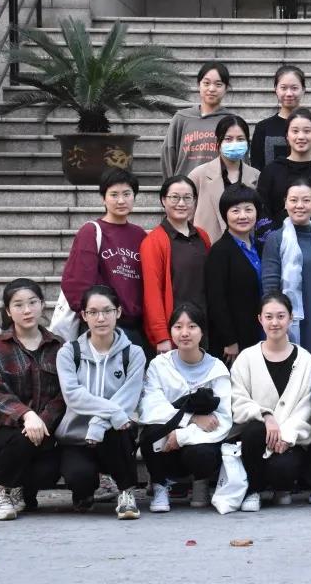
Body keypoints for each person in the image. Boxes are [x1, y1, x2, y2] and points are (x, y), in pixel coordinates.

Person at [0, 279, 64, 521]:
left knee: (51, 466)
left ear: (42, 305)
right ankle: (0, 491)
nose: (27, 310)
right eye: (19, 305)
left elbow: (64, 395)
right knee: (23, 436)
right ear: (8, 311)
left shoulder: (58, 347)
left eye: (33, 302)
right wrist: (27, 415)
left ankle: (20, 489)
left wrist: (42, 420)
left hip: (41, 433)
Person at [56, 285, 146, 519]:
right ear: (84, 316)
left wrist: (98, 424)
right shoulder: (69, 352)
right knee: (79, 476)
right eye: (93, 312)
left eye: (107, 311)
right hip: (77, 435)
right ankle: (84, 492)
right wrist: (110, 413)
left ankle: (126, 492)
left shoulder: (133, 353)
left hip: (115, 433)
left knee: (120, 427)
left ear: (118, 312)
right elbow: (73, 395)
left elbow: (129, 398)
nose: (101, 318)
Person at [138, 303, 232, 513]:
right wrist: (191, 419)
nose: (185, 333)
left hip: (199, 441)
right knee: (151, 433)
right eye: (178, 327)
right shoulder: (159, 365)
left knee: (202, 455)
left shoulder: (217, 369)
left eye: (192, 326)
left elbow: (223, 420)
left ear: (202, 331)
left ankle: (200, 483)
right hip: (167, 440)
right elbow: (150, 407)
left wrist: (182, 436)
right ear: (171, 331)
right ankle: (160, 485)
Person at [229, 293, 311, 512]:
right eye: (269, 317)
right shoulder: (247, 358)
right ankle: (253, 490)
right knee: (254, 431)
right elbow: (237, 400)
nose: (275, 322)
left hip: (290, 441)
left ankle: (281, 488)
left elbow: (307, 407)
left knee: (283, 469)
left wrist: (286, 436)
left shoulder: (305, 359)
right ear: (260, 319)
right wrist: (265, 415)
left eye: (280, 316)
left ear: (291, 318)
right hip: (255, 438)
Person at [60, 167, 147, 352]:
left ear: (134, 197)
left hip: (135, 327)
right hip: (102, 327)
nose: (121, 200)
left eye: (127, 194)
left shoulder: (139, 235)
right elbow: (76, 282)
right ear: (103, 198)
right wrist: (94, 318)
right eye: (114, 194)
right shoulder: (91, 231)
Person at [262, 179, 311, 360]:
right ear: (285, 203)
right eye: (293, 200)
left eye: (306, 200)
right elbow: (270, 285)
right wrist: (277, 318)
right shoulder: (276, 239)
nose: (299, 206)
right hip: (290, 317)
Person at [140, 175, 212, 355]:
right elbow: (152, 292)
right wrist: (161, 336)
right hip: (175, 331)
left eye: (187, 198)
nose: (181, 203)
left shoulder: (202, 236)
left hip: (203, 326)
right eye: (174, 197)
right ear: (163, 200)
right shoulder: (154, 242)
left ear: (195, 201)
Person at [205, 185, 264, 364]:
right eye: (235, 211)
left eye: (248, 209)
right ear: (225, 214)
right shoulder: (220, 251)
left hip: (261, 332)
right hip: (234, 341)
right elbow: (216, 299)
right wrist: (229, 340)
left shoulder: (261, 247)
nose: (243, 216)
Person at [257, 108, 311, 231]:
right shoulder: (270, 171)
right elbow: (263, 211)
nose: (301, 136)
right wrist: (276, 238)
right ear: (287, 136)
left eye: (307, 131)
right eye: (295, 131)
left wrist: (310, 237)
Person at [189, 114, 260, 243]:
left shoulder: (256, 176)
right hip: (208, 247)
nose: (234, 143)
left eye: (240, 139)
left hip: (246, 248)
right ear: (218, 142)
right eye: (228, 139)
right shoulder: (198, 175)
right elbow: (187, 216)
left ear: (247, 143)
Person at [162, 61, 234, 178]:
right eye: (206, 83)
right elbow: (168, 154)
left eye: (218, 84)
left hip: (220, 187)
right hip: (185, 187)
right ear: (198, 85)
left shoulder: (232, 121)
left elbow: (240, 160)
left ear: (226, 88)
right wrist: (171, 184)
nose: (211, 89)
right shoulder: (182, 118)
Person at [252, 64, 311, 169]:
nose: (289, 93)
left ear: (303, 90)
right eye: (283, 88)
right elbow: (257, 168)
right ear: (276, 89)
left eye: (294, 88)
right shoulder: (262, 128)